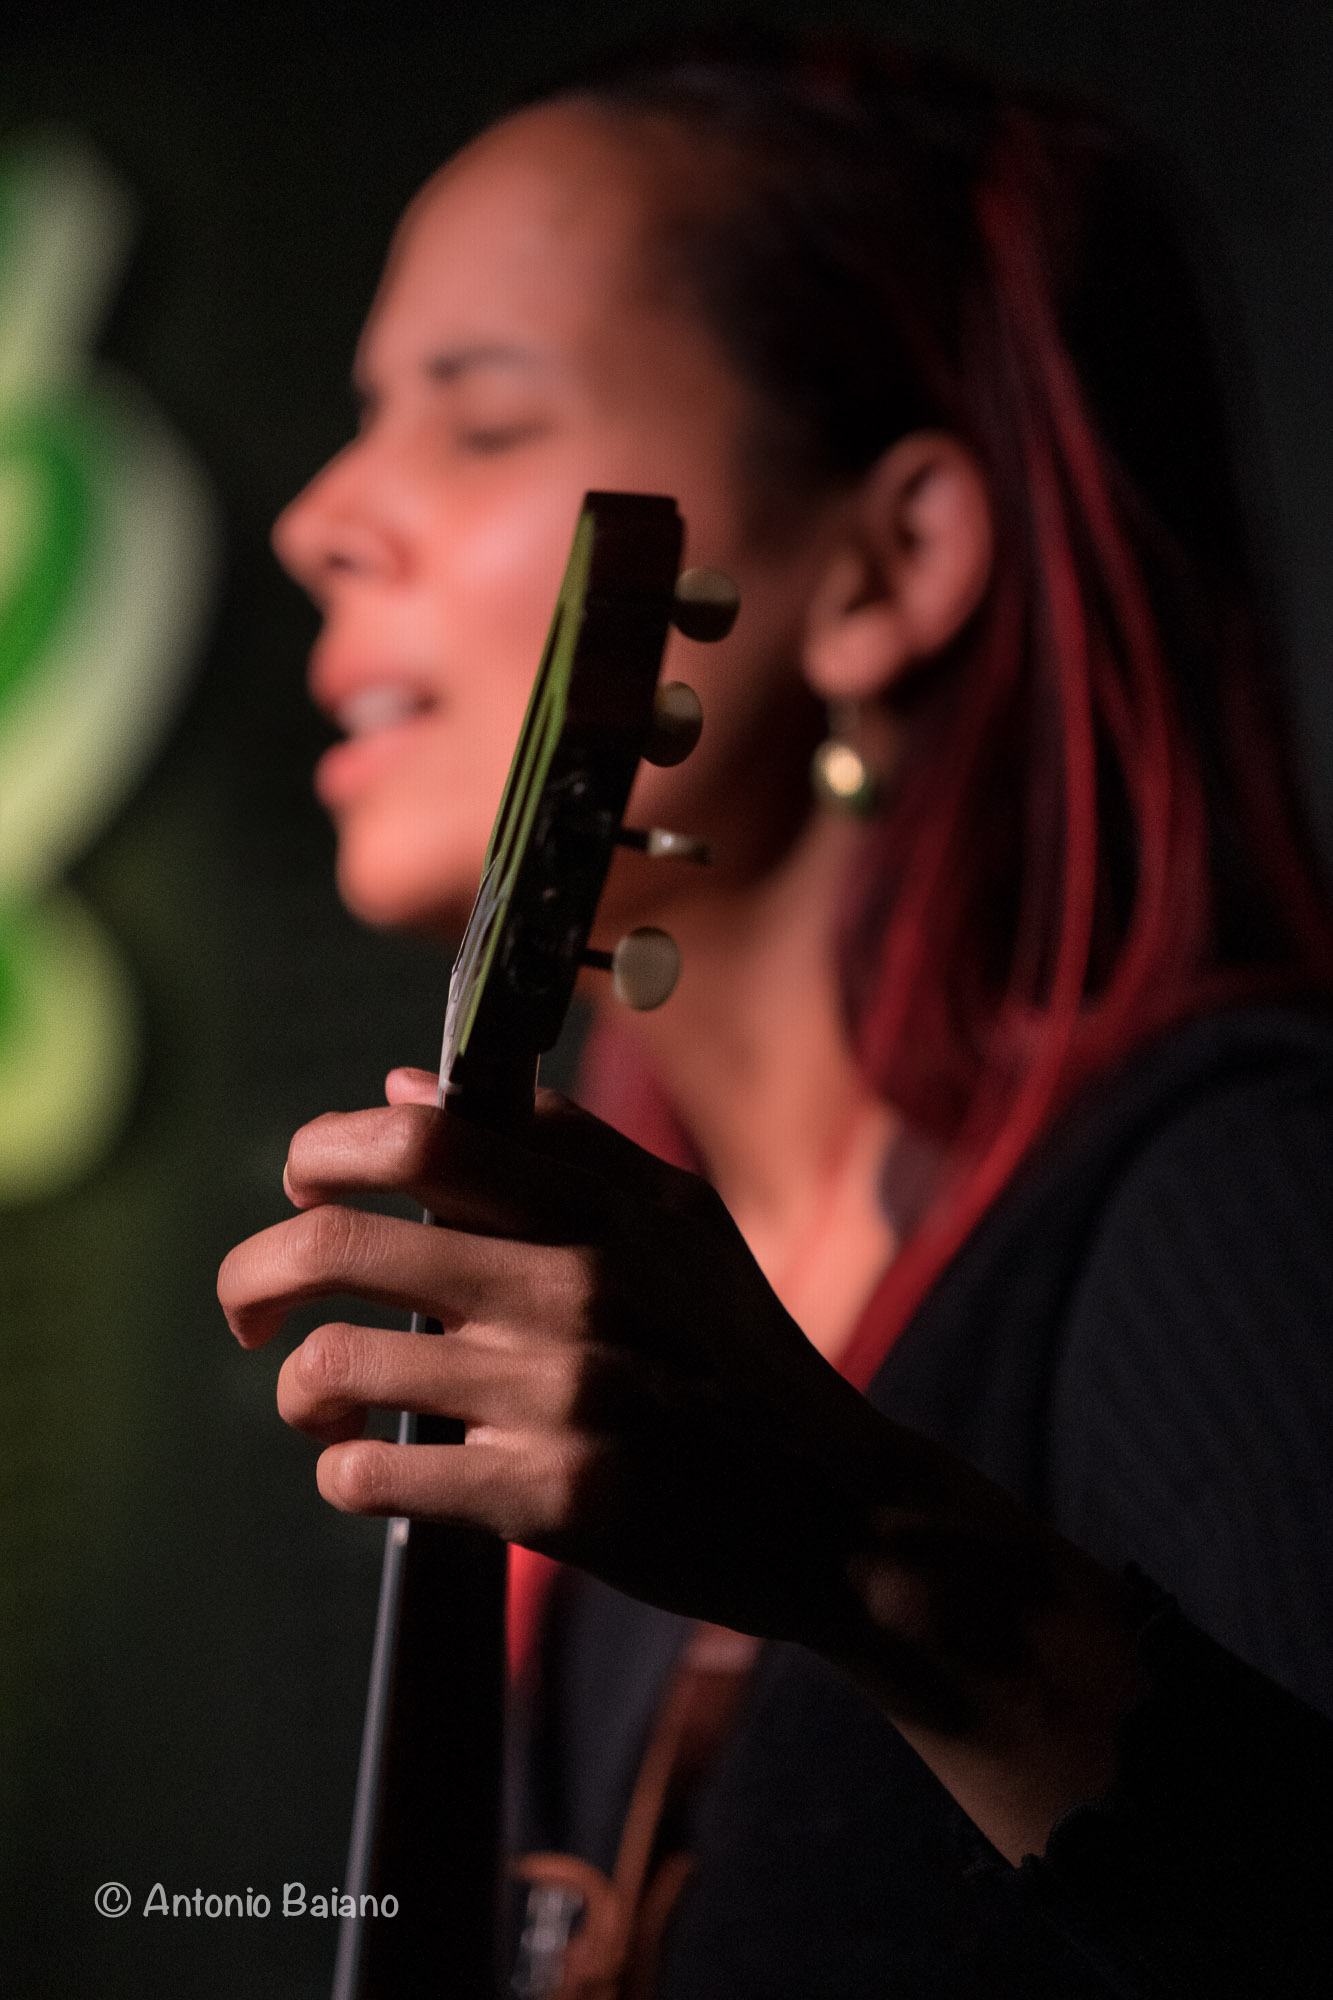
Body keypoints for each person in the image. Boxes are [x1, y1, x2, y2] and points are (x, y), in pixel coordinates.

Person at [217, 33, 1333, 1999]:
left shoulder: (1236, 1193)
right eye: (359, 415)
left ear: (888, 561)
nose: (318, 514)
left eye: (475, 422)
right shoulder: (616, 1371)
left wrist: (881, 1563)